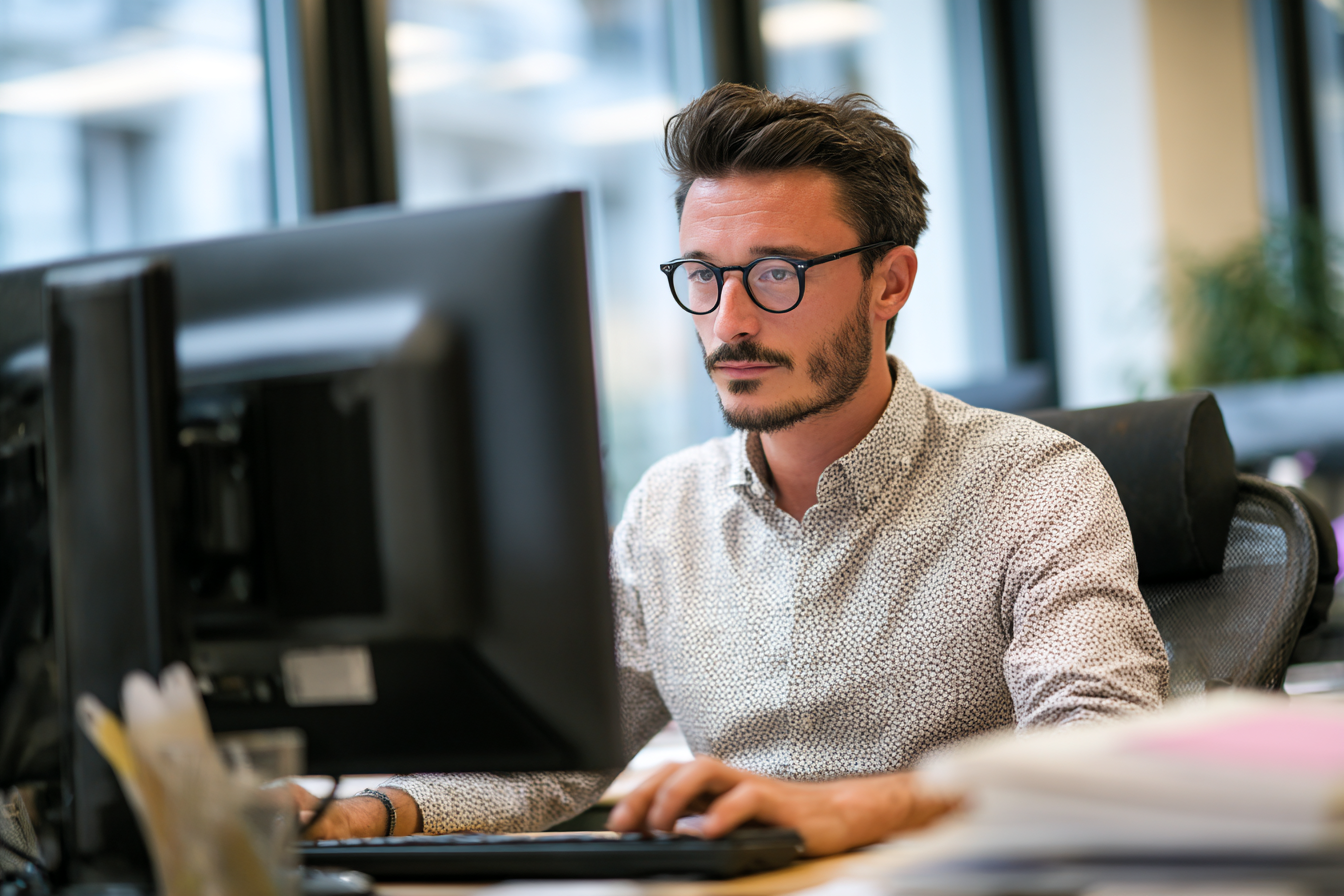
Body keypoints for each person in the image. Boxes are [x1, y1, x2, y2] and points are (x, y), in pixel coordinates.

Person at [293, 84, 1169, 856]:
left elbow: (1102, 754)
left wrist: (845, 810)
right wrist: (356, 813)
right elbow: (550, 764)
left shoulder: (1035, 485)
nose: (729, 321)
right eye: (703, 275)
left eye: (777, 273)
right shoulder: (668, 508)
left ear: (890, 283)